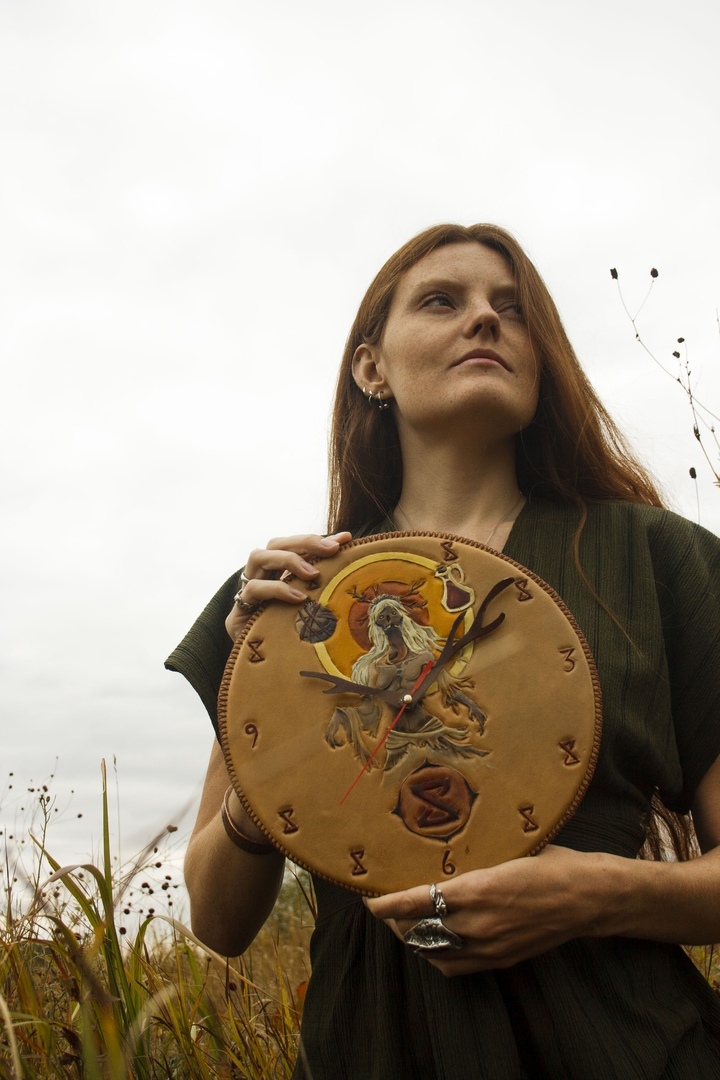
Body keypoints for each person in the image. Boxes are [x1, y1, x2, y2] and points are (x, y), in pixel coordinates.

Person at [166, 223, 720, 1079]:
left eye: (513, 309)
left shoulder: (658, 559)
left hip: (633, 1047)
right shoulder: (291, 602)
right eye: (442, 301)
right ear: (370, 369)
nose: (486, 321)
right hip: (372, 1050)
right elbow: (219, 922)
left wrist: (596, 896)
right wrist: (265, 748)